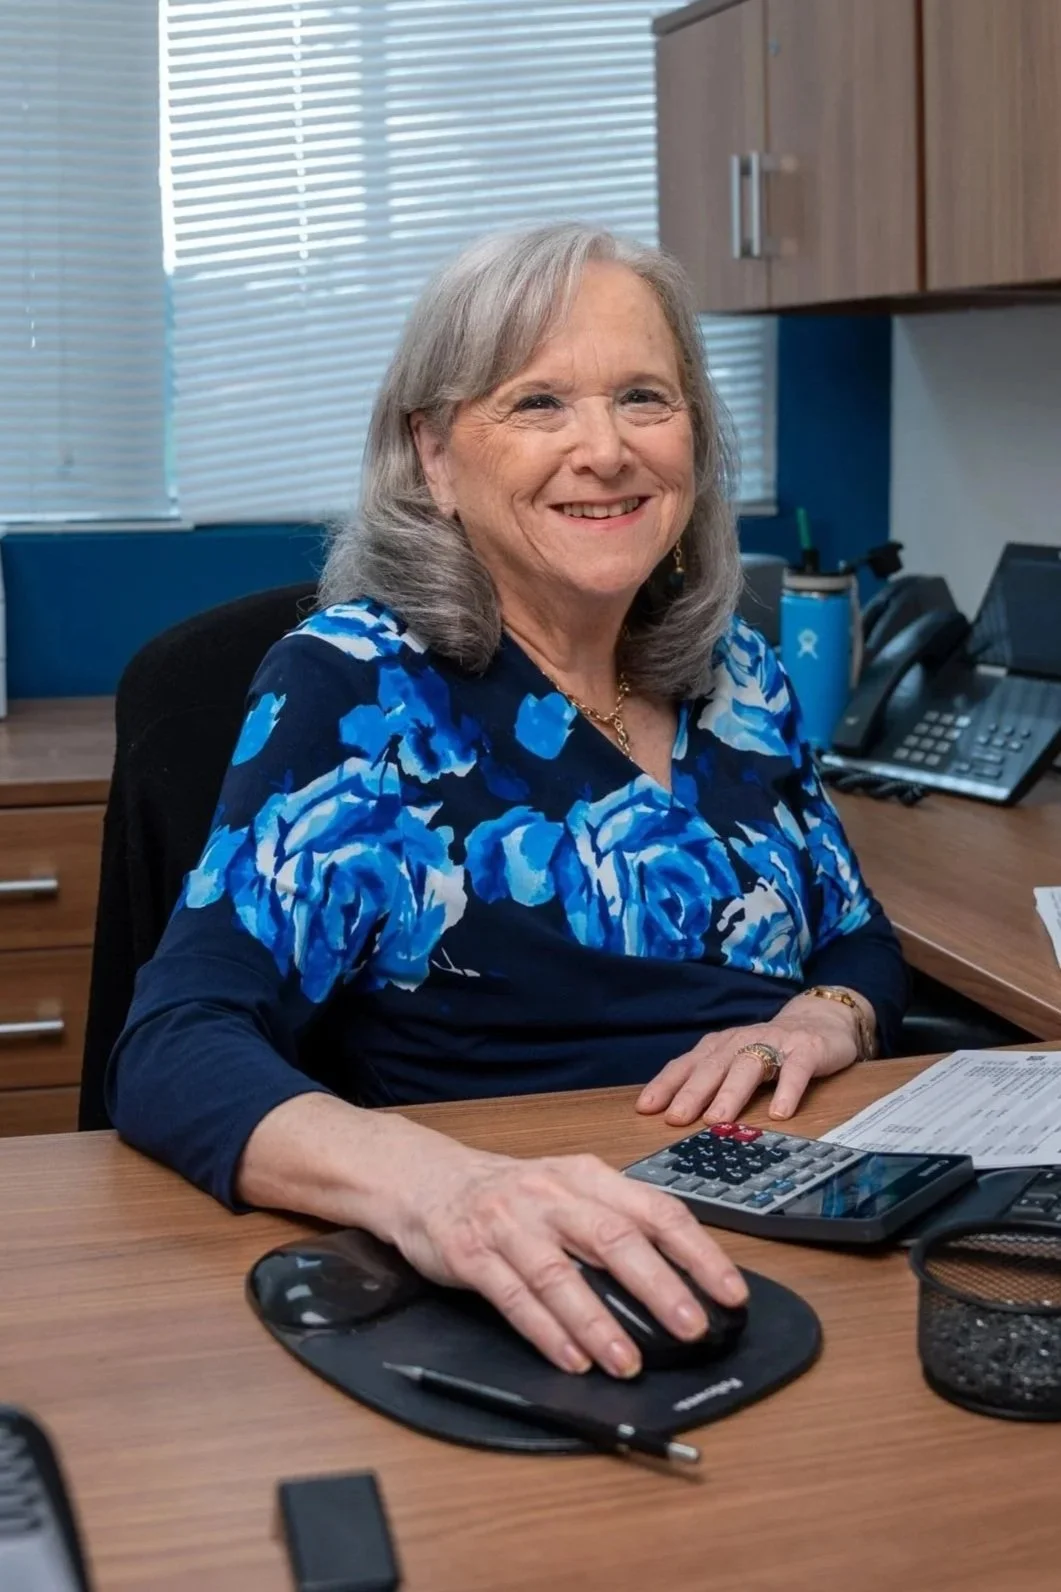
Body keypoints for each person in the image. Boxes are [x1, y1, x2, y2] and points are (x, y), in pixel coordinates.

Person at [108, 223, 907, 1381]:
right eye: (538, 404)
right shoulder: (359, 688)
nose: (605, 449)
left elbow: (854, 932)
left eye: (644, 395)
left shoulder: (737, 675)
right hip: (537, 1282)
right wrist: (447, 1189)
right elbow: (176, 1046)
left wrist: (823, 1017)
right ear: (433, 456)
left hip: (794, 1215)